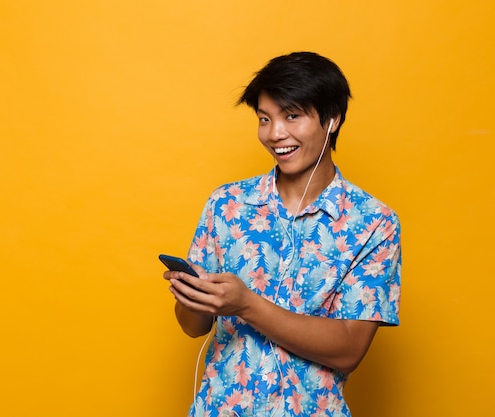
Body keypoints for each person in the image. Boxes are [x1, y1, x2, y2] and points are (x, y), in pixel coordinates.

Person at [163, 51, 401, 417]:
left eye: (292, 116)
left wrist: (246, 304)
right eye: (264, 119)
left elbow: (349, 350)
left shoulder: (373, 223)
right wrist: (192, 296)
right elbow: (193, 327)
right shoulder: (227, 204)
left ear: (332, 119)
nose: (275, 134)